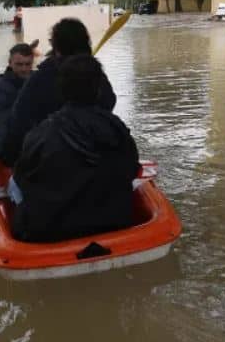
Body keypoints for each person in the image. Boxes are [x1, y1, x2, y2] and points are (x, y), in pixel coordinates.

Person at [11, 54, 139, 242]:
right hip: (114, 222)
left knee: (13, 184)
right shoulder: (116, 127)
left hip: (51, 231)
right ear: (98, 90)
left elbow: (22, 178)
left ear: (61, 90)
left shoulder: (39, 134)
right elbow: (132, 169)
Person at [0, 18, 116, 166]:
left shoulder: (40, 79)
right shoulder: (98, 76)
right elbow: (109, 103)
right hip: (95, 161)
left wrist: (9, 158)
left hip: (50, 163)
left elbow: (18, 124)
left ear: (56, 47)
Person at [0, 41, 37, 149]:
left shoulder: (37, 80)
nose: (24, 69)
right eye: (19, 64)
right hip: (9, 143)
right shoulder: (0, 91)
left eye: (28, 64)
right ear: (10, 63)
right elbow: (7, 123)